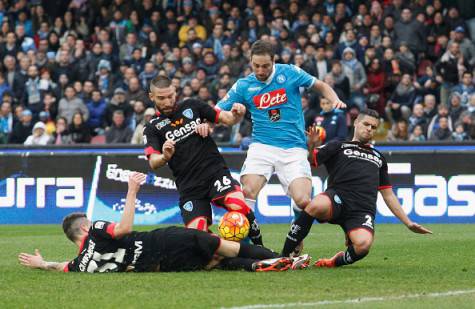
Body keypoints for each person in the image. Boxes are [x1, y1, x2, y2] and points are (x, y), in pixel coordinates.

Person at [19, 172, 306, 273]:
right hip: (163, 240)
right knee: (227, 247)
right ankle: (280, 258)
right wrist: (132, 190)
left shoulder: (81, 263)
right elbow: (124, 229)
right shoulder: (94, 230)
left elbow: (62, 266)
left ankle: (261, 266)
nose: (93, 221)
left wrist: (42, 264)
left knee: (217, 263)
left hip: (161, 264)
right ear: (83, 227)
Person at [216, 39, 345, 252]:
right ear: (250, 62)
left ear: (273, 61)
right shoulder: (243, 86)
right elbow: (218, 111)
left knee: (304, 201)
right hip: (262, 146)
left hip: (294, 148)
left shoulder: (290, 73)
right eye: (256, 65)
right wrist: (217, 119)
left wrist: (335, 98)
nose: (260, 70)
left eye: (265, 65)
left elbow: (320, 85)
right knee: (247, 191)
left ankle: (296, 230)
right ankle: (245, 248)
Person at [280, 109, 432, 267]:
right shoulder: (339, 145)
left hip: (362, 210)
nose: (369, 129)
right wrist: (311, 147)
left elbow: (388, 195)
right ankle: (284, 256)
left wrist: (408, 223)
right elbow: (311, 160)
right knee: (315, 205)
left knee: (363, 246)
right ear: (356, 123)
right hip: (337, 199)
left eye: (373, 127)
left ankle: (333, 262)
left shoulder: (379, 158)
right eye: (366, 124)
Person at [143, 76, 264, 246]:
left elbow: (227, 119)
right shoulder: (152, 128)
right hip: (189, 186)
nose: (168, 101)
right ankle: (229, 252)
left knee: (237, 204)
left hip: (214, 172)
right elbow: (153, 162)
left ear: (175, 92)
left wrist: (237, 115)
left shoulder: (192, 105)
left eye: (170, 96)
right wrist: (164, 156)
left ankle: (261, 247)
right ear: (151, 97)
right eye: (162, 98)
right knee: (198, 238)